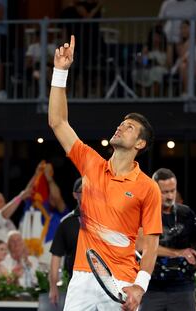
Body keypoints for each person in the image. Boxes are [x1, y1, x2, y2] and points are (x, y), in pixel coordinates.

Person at [48, 35, 162, 311]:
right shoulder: (91, 163)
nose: (121, 128)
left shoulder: (148, 187)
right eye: (122, 124)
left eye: (130, 127)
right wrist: (60, 71)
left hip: (123, 280)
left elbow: (152, 243)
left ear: (140, 144)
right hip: (83, 277)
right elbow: (58, 121)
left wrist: (140, 285)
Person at [138, 168, 196, 311]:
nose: (170, 196)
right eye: (164, 192)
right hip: (151, 288)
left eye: (173, 191)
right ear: (154, 189)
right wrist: (179, 253)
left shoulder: (186, 213)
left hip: (183, 287)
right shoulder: (144, 212)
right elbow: (140, 244)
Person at [48, 177, 82, 306]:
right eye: (82, 191)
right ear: (75, 195)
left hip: (103, 284)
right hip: (76, 284)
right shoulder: (67, 223)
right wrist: (53, 286)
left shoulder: (104, 219)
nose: (87, 193)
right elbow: (56, 256)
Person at [171, 20, 196, 95]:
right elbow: (181, 56)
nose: (183, 30)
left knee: (185, 65)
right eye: (181, 28)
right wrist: (187, 43)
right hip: (183, 65)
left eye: (185, 28)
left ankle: (185, 93)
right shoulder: (179, 44)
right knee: (184, 64)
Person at [132, 25, 168, 96]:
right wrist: (142, 56)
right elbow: (141, 59)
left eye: (158, 37)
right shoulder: (147, 47)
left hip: (161, 68)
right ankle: (144, 98)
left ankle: (154, 97)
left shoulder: (165, 48)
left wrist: (158, 63)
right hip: (149, 68)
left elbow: (168, 64)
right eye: (154, 37)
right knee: (138, 72)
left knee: (156, 72)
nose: (156, 39)